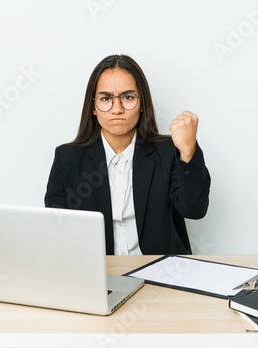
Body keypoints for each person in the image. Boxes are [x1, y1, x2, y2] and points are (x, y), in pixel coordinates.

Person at [45, 54, 211, 255]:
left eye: (128, 97)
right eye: (106, 99)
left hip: (162, 272)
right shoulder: (67, 159)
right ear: (93, 108)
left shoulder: (168, 151)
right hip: (97, 274)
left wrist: (187, 150)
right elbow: (55, 231)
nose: (117, 109)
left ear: (142, 104)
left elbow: (194, 210)